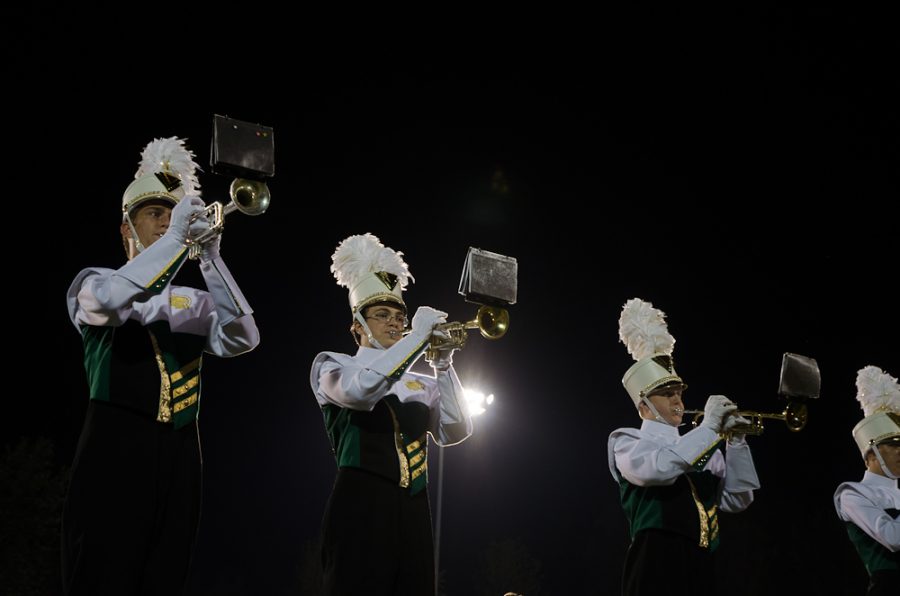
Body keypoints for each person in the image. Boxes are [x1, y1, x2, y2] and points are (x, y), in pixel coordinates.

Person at [61, 137, 260, 595]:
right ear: (126, 229)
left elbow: (244, 338)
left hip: (182, 454)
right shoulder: (96, 283)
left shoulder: (192, 301)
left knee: (166, 575)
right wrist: (175, 241)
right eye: (154, 213)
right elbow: (114, 299)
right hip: (114, 445)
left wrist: (210, 259)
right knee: (102, 572)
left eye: (172, 214)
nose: (166, 221)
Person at [310, 232, 473, 596]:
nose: (394, 322)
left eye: (400, 315)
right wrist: (417, 339)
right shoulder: (333, 365)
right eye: (381, 314)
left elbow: (456, 430)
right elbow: (363, 390)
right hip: (361, 502)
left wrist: (444, 367)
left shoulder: (420, 381)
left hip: (415, 508)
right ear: (357, 325)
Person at [607, 298, 760, 596]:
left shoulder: (698, 444)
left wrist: (737, 442)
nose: (678, 401)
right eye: (667, 394)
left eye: (678, 393)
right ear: (644, 406)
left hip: (702, 560)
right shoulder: (627, 442)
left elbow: (737, 500)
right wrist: (708, 429)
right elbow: (660, 469)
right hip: (655, 559)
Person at [834, 365, 900, 596]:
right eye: (893, 445)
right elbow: (893, 538)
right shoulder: (852, 494)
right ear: (871, 454)